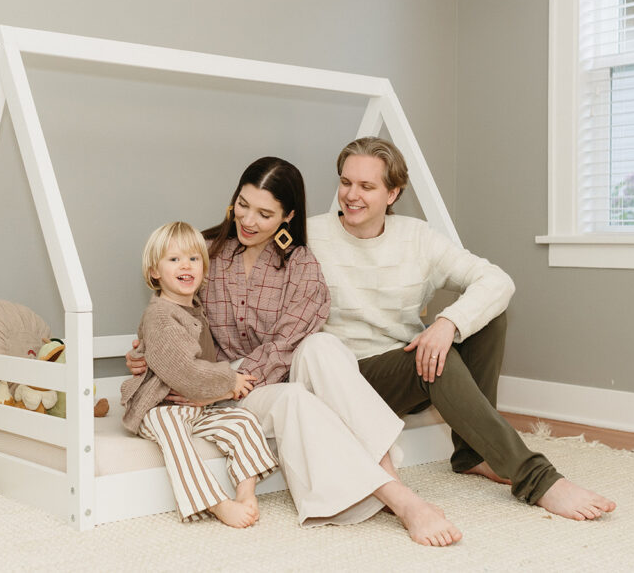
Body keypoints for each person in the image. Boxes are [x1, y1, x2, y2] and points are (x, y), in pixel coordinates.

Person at [128, 157, 462, 546]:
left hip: (252, 378)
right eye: (243, 205)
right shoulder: (205, 255)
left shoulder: (301, 265)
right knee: (293, 399)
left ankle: (392, 486)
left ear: (287, 216)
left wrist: (226, 383)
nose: (248, 220)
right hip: (219, 387)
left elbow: (286, 347)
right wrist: (148, 354)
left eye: (265, 213)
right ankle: (400, 499)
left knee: (320, 345)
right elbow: (170, 316)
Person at [306, 137, 616, 521]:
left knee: (485, 320)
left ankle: (473, 454)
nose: (351, 195)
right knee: (434, 358)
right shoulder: (311, 236)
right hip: (349, 378)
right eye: (346, 182)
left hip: (404, 371)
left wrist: (447, 322)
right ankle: (537, 480)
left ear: (393, 193)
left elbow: (497, 281)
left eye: (367, 186)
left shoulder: (416, 238)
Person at [121, 221, 278, 528]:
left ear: (204, 269)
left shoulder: (194, 308)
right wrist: (230, 381)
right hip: (159, 405)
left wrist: (214, 394)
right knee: (172, 427)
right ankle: (215, 502)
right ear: (155, 272)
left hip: (194, 406)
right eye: (174, 259)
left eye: (193, 259)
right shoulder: (161, 315)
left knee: (243, 421)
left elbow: (197, 370)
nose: (186, 266)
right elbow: (184, 371)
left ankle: (246, 492)